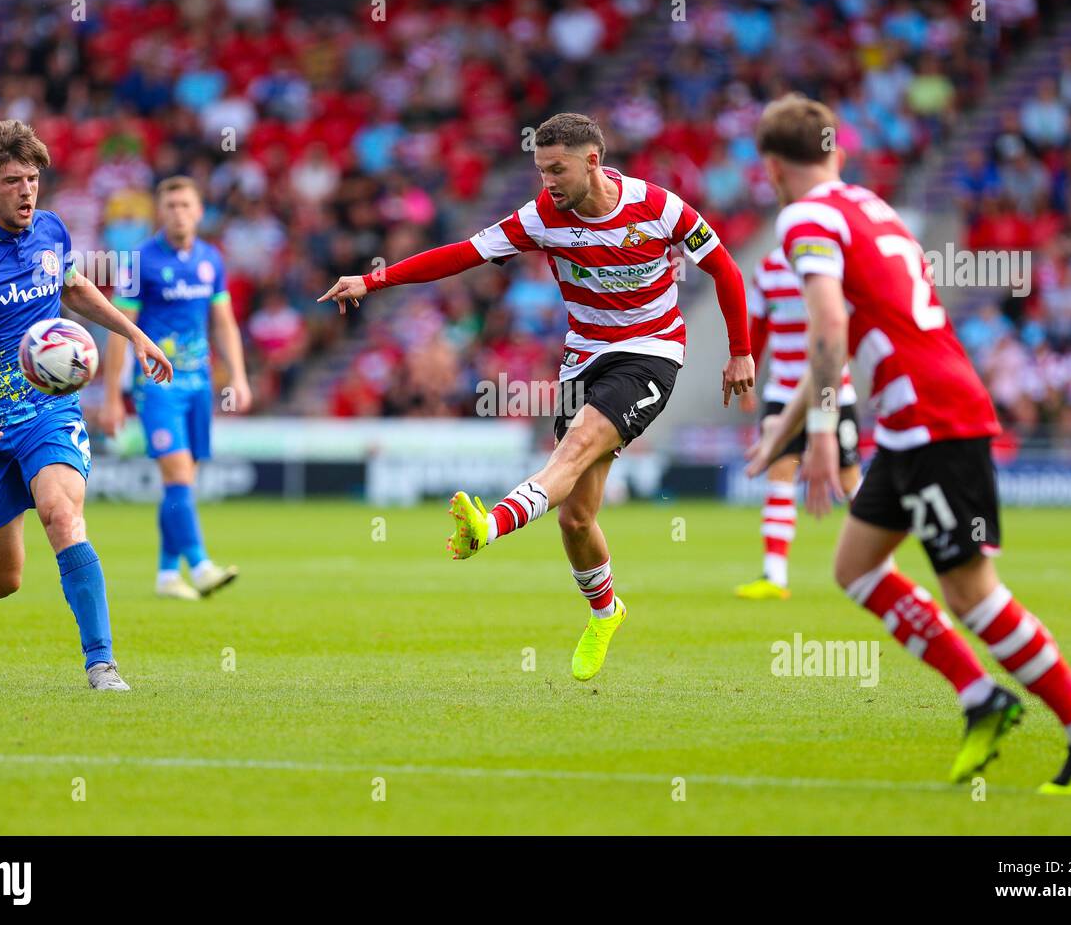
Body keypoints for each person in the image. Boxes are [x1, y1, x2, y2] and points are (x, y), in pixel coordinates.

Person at [747, 95, 1071, 794]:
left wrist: (823, 430)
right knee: (855, 568)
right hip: (910, 420)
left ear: (771, 167)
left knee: (973, 596)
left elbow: (829, 327)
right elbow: (848, 333)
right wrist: (785, 425)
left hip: (933, 418)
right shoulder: (871, 207)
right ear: (836, 152)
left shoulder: (803, 217)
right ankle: (982, 699)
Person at [320, 112, 755, 682]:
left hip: (651, 351)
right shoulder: (541, 218)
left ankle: (489, 526)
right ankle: (606, 612)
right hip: (583, 359)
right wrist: (372, 281)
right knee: (575, 518)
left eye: (557, 169)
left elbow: (725, 270)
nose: (547, 181)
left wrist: (741, 351)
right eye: (540, 169)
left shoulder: (660, 208)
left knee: (572, 451)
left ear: (593, 161)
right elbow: (460, 254)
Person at [0, 119, 174, 691]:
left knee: (61, 513)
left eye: (32, 178)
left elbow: (74, 289)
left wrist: (136, 336)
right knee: (4, 583)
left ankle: (102, 664)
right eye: (12, 181)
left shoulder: (51, 231)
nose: (27, 191)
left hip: (48, 411)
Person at [100, 176, 248, 600]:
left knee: (182, 482)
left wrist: (237, 375)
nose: (179, 213)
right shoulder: (139, 261)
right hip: (156, 384)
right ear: (159, 213)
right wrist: (112, 397)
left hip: (199, 384)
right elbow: (118, 331)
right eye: (171, 206)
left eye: (186, 205)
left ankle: (167, 574)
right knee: (178, 474)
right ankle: (200, 566)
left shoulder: (210, 260)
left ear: (200, 211)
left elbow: (223, 320)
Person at [736, 246, 861, 601]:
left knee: (850, 479)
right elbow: (757, 329)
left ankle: (879, 564)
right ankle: (774, 575)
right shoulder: (769, 268)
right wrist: (748, 379)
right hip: (783, 391)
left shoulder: (833, 263)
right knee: (780, 473)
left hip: (831, 390)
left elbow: (849, 324)